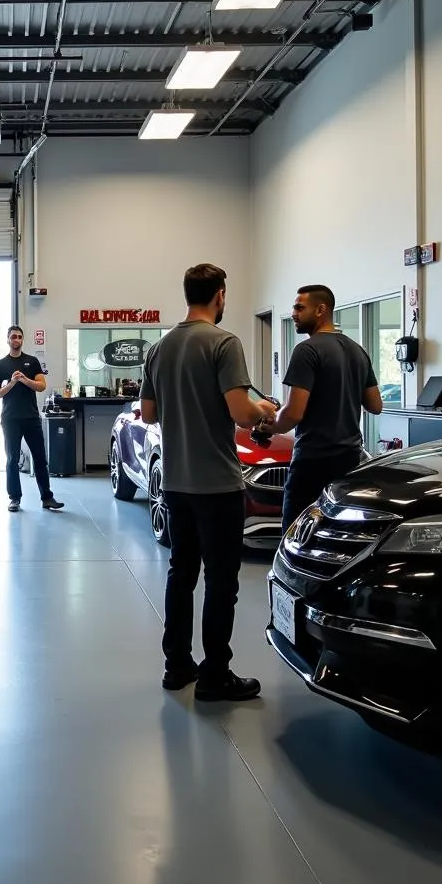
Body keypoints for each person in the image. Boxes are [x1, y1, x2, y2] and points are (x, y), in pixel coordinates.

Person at [139, 264, 276, 701]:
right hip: (218, 485)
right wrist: (265, 410)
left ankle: (176, 666)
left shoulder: (159, 349)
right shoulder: (224, 342)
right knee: (221, 580)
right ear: (219, 295)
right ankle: (216, 674)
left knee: (181, 574)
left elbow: (148, 414)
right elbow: (240, 412)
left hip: (176, 483)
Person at [260, 284, 382, 533]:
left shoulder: (307, 350)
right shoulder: (357, 351)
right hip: (350, 460)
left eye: (299, 307)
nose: (294, 313)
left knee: (296, 533)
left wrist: (268, 424)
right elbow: (375, 405)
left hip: (313, 461)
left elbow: (293, 414)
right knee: (340, 532)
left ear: (321, 310)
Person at [0, 325, 64, 513]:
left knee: (40, 458)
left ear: (22, 340)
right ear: (7, 340)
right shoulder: (1, 365)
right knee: (12, 459)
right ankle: (14, 498)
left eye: (19, 337)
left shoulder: (32, 362)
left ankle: (47, 497)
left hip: (31, 418)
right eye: (13, 337)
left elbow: (41, 386)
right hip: (10, 419)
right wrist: (13, 383)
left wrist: (24, 379)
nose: (16, 339)